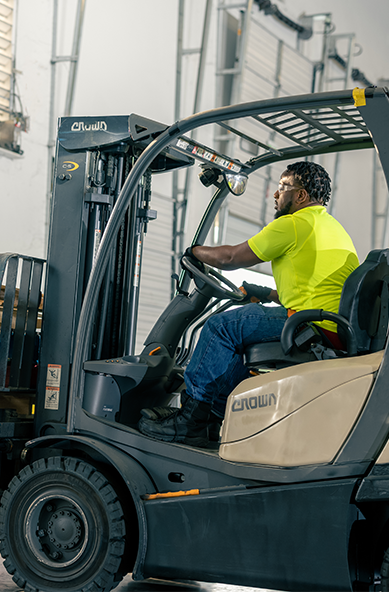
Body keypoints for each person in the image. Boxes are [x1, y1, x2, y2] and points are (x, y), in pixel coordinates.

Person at [139, 161, 359, 448]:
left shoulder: (293, 224)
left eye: (283, 187)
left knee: (221, 327)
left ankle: (190, 420)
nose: (276, 194)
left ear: (302, 196)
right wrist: (265, 292)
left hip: (308, 323)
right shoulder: (331, 227)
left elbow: (229, 258)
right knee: (238, 333)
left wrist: (194, 251)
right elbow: (314, 287)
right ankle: (217, 414)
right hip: (327, 323)